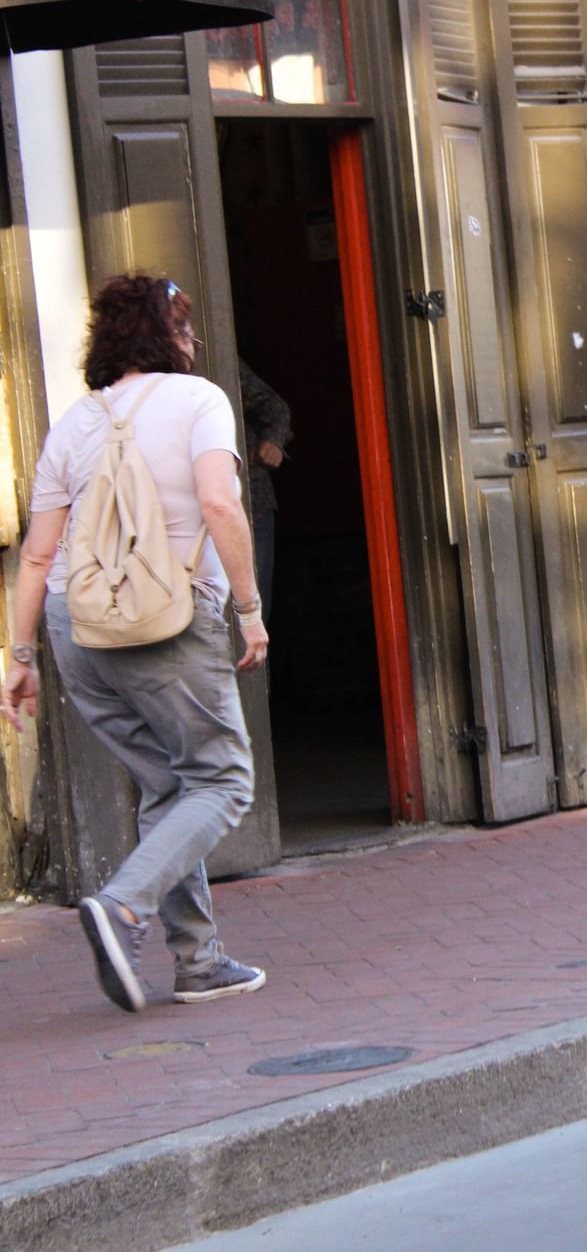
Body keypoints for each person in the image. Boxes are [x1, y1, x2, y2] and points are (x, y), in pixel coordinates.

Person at [2, 275, 270, 1013]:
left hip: (74, 625)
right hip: (166, 620)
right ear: (166, 337)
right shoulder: (201, 401)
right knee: (222, 780)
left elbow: (34, 555)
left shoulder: (74, 421)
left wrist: (19, 659)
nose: (193, 340)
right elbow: (219, 501)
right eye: (184, 327)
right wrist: (249, 609)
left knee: (166, 784)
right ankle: (123, 907)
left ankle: (198, 961)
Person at [237, 361, 292, 621]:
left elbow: (274, 405)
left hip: (252, 501)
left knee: (255, 613)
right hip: (192, 517)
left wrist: (272, 440)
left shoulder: (223, 365)